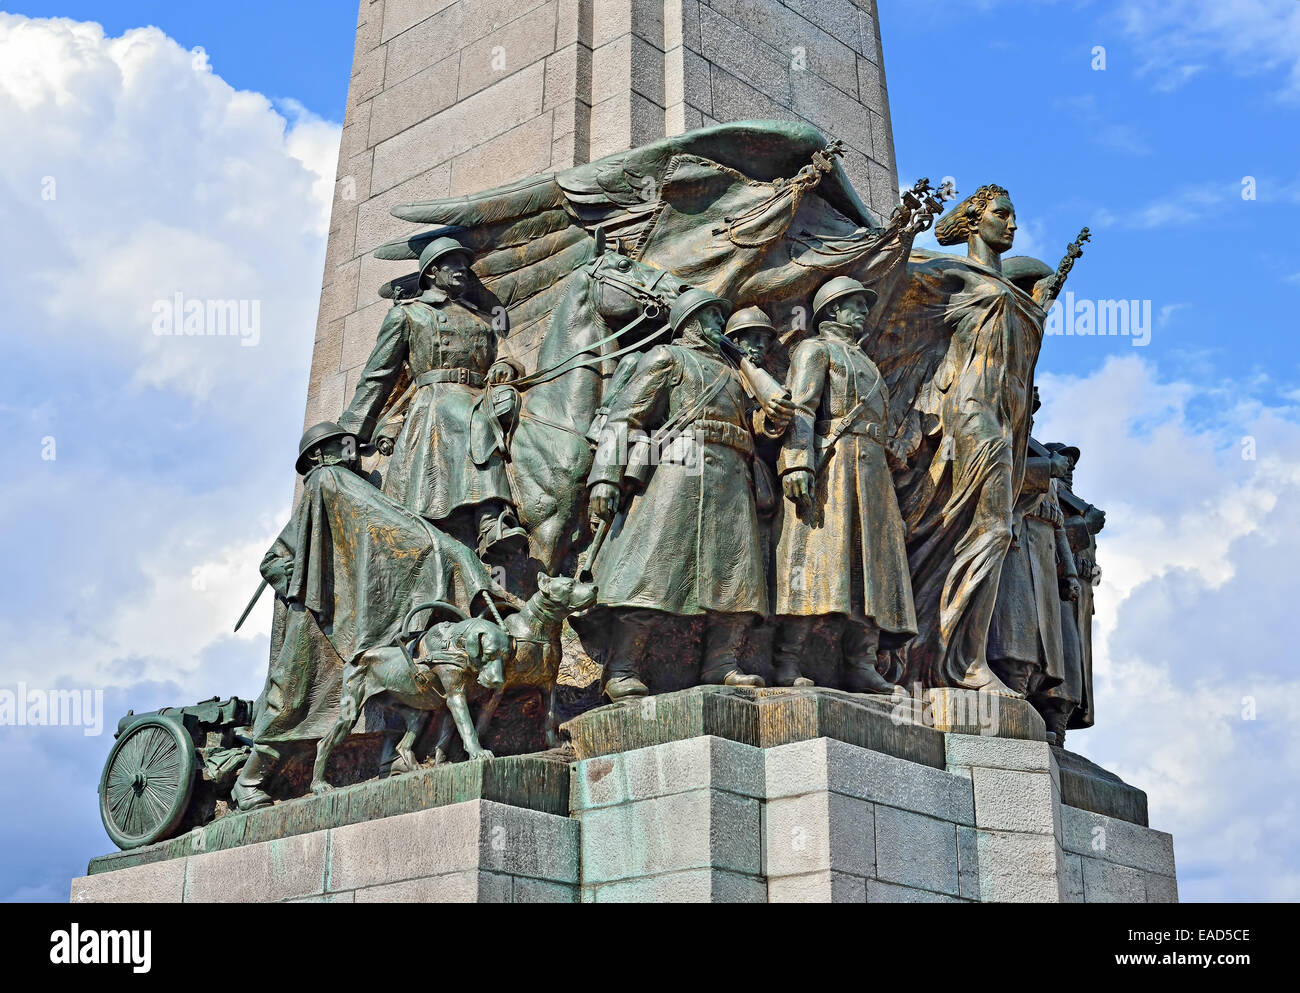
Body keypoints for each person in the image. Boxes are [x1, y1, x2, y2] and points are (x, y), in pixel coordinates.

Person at [586, 289, 786, 699]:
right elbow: (625, 416)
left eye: (718, 316)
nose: (719, 324)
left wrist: (772, 419)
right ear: (689, 322)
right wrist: (604, 476)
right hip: (677, 469)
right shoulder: (667, 358)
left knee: (737, 574)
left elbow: (755, 426)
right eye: (710, 316)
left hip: (732, 474)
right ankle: (622, 668)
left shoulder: (737, 374)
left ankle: (722, 663)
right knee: (651, 568)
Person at [337, 236, 526, 562]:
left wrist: (505, 367)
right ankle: (491, 521)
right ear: (432, 272)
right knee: (475, 419)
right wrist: (349, 436)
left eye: (465, 264)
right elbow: (377, 377)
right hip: (437, 404)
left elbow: (503, 354)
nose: (463, 269)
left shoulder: (479, 318)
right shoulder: (409, 315)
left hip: (481, 393)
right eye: (454, 263)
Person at [772, 276, 917, 692]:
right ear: (832, 310)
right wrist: (797, 464)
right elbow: (801, 408)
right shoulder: (815, 350)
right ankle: (787, 661)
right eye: (855, 304)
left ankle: (862, 663)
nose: (863, 312)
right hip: (834, 466)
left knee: (873, 569)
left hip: (873, 474)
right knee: (819, 562)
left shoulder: (867, 362)